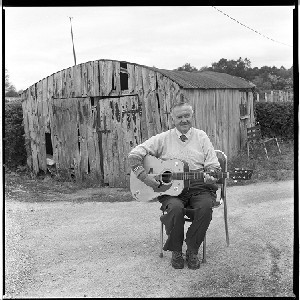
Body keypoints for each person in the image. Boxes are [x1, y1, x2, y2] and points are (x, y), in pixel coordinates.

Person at [128, 98, 221, 270]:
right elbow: (133, 156)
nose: (184, 120)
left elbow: (213, 166)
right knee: (175, 209)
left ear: (192, 116)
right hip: (170, 190)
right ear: (173, 119)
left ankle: (192, 250)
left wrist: (212, 176)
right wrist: (146, 179)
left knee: (206, 207)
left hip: (198, 187)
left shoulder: (201, 137)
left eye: (187, 116)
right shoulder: (163, 139)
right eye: (180, 117)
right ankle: (176, 250)